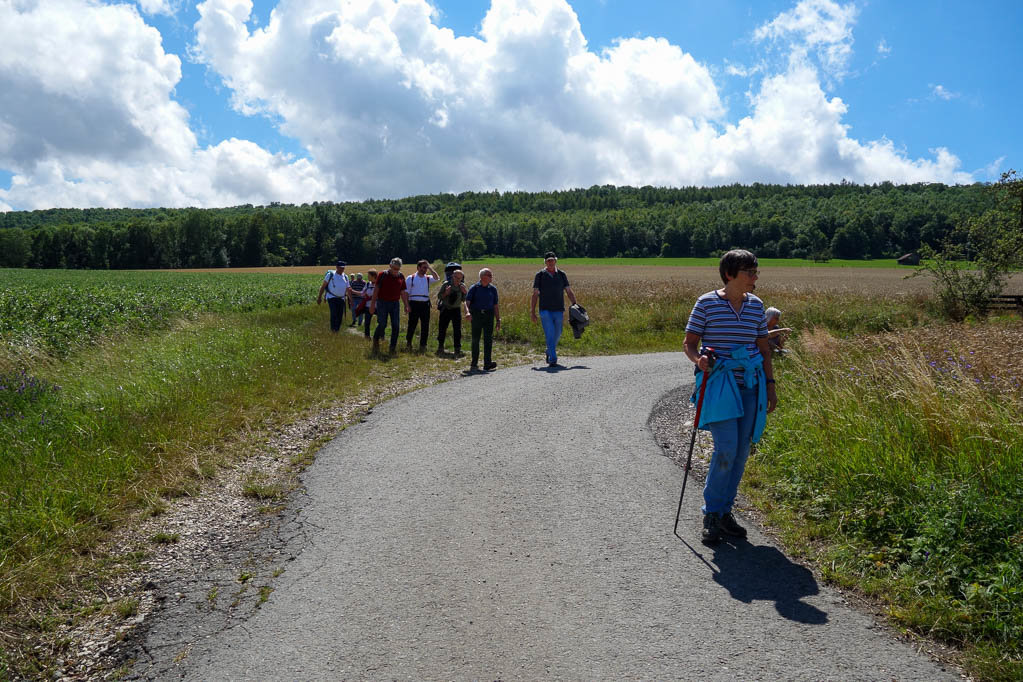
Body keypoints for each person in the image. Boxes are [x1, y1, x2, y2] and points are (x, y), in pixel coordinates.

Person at [683, 249, 778, 546]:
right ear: (729, 274)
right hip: (721, 384)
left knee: (740, 451)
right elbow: (689, 344)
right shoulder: (706, 303)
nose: (755, 277)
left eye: (755, 271)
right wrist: (698, 360)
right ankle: (711, 513)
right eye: (749, 272)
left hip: (751, 385)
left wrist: (771, 386)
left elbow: (764, 349)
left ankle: (724, 512)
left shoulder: (756, 306)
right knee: (726, 448)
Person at [530, 252, 577, 367]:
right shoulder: (540, 275)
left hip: (558, 309)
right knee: (550, 333)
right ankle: (553, 358)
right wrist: (532, 312)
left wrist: (575, 304)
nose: (550, 262)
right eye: (548, 261)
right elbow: (535, 294)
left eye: (552, 260)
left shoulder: (561, 274)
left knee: (558, 332)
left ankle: (549, 350)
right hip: (545, 309)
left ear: (555, 261)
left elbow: (568, 291)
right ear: (545, 262)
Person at [369, 258, 409, 354]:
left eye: (398, 269)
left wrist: (406, 305)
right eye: (394, 268)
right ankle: (375, 340)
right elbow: (376, 290)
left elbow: (402, 292)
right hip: (382, 303)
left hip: (395, 304)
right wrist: (372, 304)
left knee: (396, 326)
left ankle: (392, 347)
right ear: (390, 266)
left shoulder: (401, 276)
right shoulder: (382, 275)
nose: (396, 271)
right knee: (382, 324)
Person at [464, 268, 501, 372]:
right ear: (482, 277)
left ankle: (487, 363)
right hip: (476, 314)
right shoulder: (474, 288)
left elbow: (495, 305)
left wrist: (498, 319)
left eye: (491, 275)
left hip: (489, 315)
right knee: (475, 339)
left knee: (488, 339)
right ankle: (474, 363)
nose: (491, 277)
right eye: (489, 275)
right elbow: (467, 302)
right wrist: (467, 312)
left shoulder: (493, 289)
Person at [405, 259, 440, 352]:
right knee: (412, 324)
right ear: (418, 267)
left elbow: (437, 278)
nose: (425, 269)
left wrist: (430, 268)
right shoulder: (410, 278)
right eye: (424, 267)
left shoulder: (428, 278)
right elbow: (406, 293)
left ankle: (423, 345)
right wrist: (407, 305)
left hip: (425, 304)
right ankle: (408, 342)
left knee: (425, 325)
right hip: (414, 303)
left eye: (426, 267)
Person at [436, 268, 467, 356]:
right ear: (453, 276)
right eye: (456, 277)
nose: (458, 280)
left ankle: (457, 349)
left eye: (460, 278)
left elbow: (465, 300)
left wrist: (465, 292)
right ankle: (440, 347)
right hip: (445, 309)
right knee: (442, 329)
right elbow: (439, 296)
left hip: (456, 310)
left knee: (457, 330)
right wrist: (446, 293)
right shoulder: (446, 284)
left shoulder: (462, 286)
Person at [316, 260, 350, 332]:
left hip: (342, 298)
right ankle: (333, 330)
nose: (342, 269)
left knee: (340, 315)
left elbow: (348, 288)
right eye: (341, 267)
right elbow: (323, 286)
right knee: (334, 313)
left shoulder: (345, 276)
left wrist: (351, 300)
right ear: (337, 267)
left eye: (343, 268)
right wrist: (319, 297)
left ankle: (336, 330)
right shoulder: (330, 275)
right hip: (331, 297)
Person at [360, 269, 377, 338]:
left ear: (373, 276)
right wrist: (353, 291)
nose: (367, 277)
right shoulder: (367, 284)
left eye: (369, 276)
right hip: (367, 306)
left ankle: (380, 336)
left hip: (378, 307)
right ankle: (367, 336)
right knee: (367, 323)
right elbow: (362, 293)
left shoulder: (379, 284)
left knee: (381, 322)